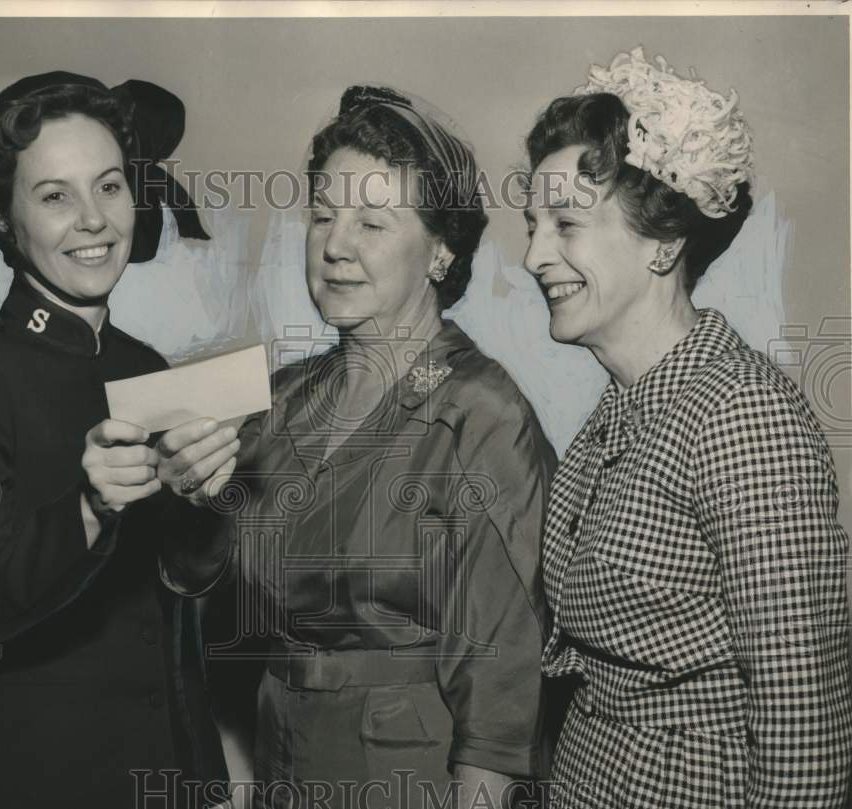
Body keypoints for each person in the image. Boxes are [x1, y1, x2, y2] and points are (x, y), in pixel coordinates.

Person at [158, 85, 556, 809]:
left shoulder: (483, 414)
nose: (335, 245)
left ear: (441, 249)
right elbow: (197, 587)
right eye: (321, 216)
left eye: (372, 222)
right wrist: (188, 499)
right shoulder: (281, 398)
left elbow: (502, 708)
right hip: (281, 763)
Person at [521, 48, 852, 808]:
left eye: (566, 223)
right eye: (534, 223)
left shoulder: (742, 415)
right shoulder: (624, 406)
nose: (534, 254)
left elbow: (804, 727)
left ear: (664, 242)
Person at [0, 71, 228, 809]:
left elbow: (180, 590)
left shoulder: (146, 366)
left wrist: (206, 502)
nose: (94, 219)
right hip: (33, 778)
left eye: (110, 187)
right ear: (4, 221)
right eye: (56, 196)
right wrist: (88, 507)